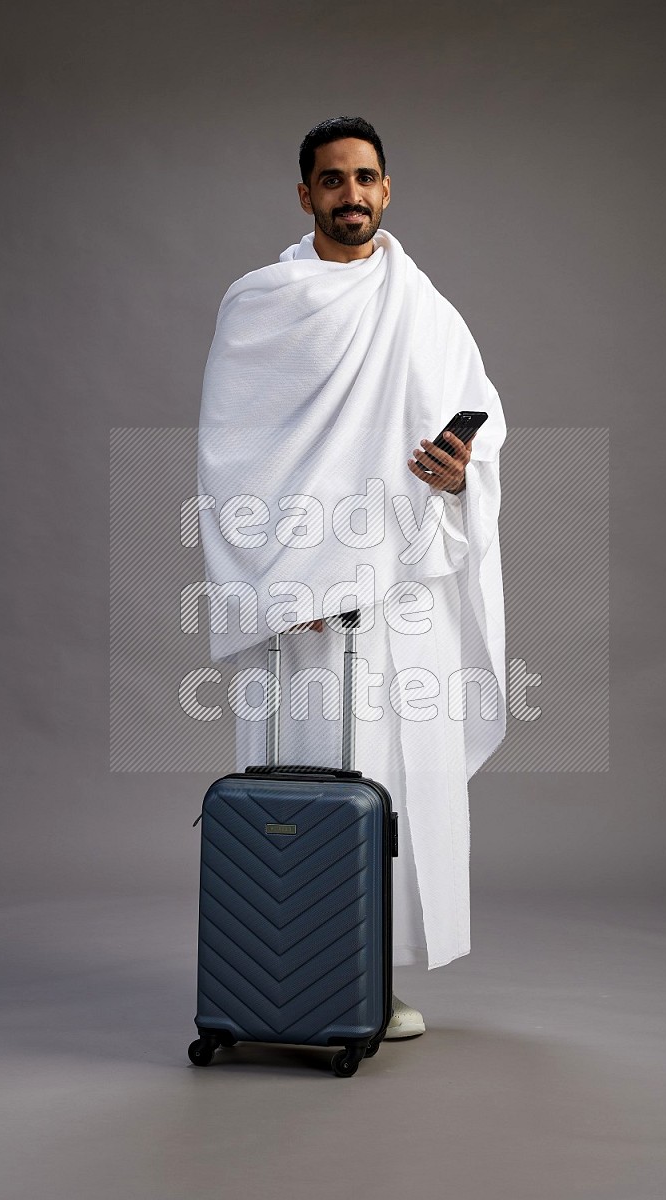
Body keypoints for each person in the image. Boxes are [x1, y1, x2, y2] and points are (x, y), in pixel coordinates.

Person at [196, 116, 507, 1040]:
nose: (352, 196)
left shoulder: (425, 309)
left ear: (387, 188)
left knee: (389, 778)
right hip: (299, 605)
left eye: (367, 178)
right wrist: (279, 584)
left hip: (399, 594)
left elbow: (479, 425)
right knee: (304, 779)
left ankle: (366, 978)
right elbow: (231, 461)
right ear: (305, 195)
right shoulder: (260, 303)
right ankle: (287, 975)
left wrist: (459, 479)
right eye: (332, 181)